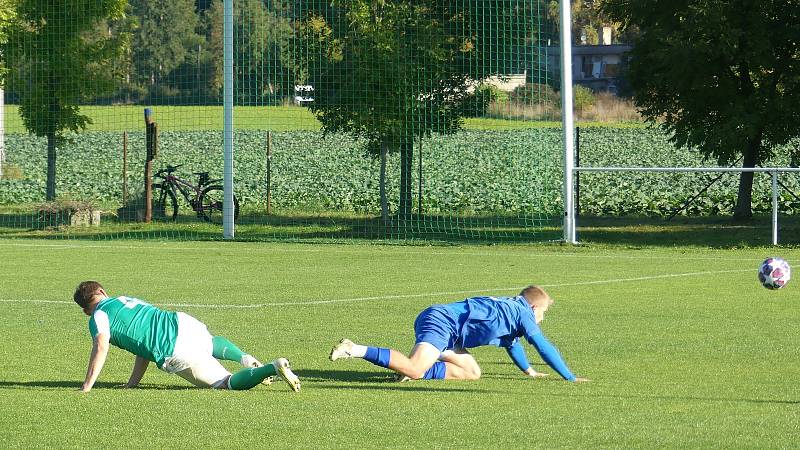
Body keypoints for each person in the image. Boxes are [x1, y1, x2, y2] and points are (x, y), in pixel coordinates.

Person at [73, 281, 301, 393]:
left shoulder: (98, 316)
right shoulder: (125, 298)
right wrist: (132, 384)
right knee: (209, 342)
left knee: (225, 384)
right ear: (102, 291)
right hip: (182, 322)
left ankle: (272, 367)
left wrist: (87, 386)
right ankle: (243, 357)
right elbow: (142, 350)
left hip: (173, 348)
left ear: (85, 310)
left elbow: (101, 347)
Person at [330, 285, 588, 382]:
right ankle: (354, 349)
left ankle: (409, 373)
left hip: (448, 331)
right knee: (414, 367)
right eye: (543, 312)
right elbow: (543, 346)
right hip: (442, 322)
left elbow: (513, 344)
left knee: (472, 373)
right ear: (533, 307)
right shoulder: (523, 313)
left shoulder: (514, 312)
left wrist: (528, 371)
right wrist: (570, 377)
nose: (542, 317)